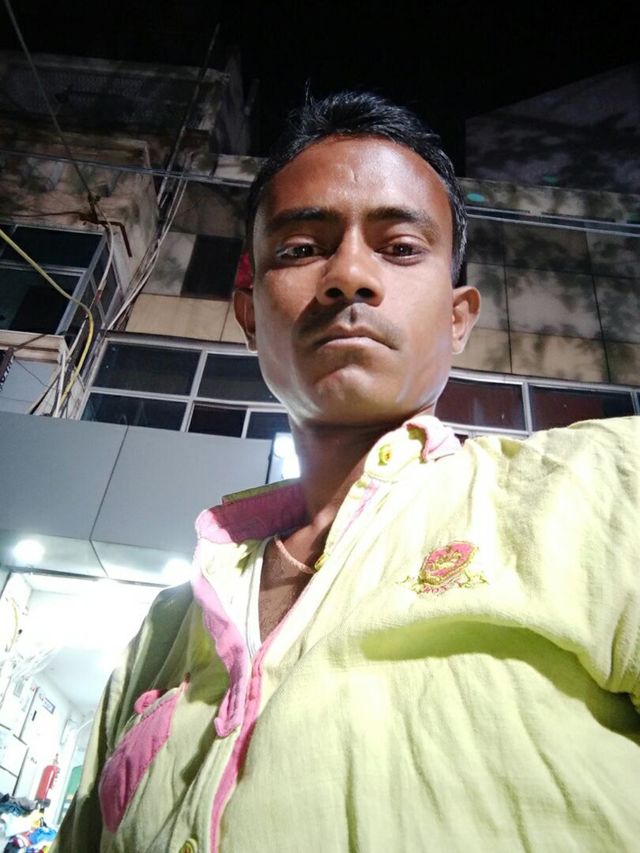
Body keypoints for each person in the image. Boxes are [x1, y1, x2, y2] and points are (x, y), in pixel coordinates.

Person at [53, 92, 639, 852]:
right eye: (301, 248)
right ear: (249, 313)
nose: (349, 276)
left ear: (458, 317)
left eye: (401, 247)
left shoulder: (599, 485)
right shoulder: (161, 633)